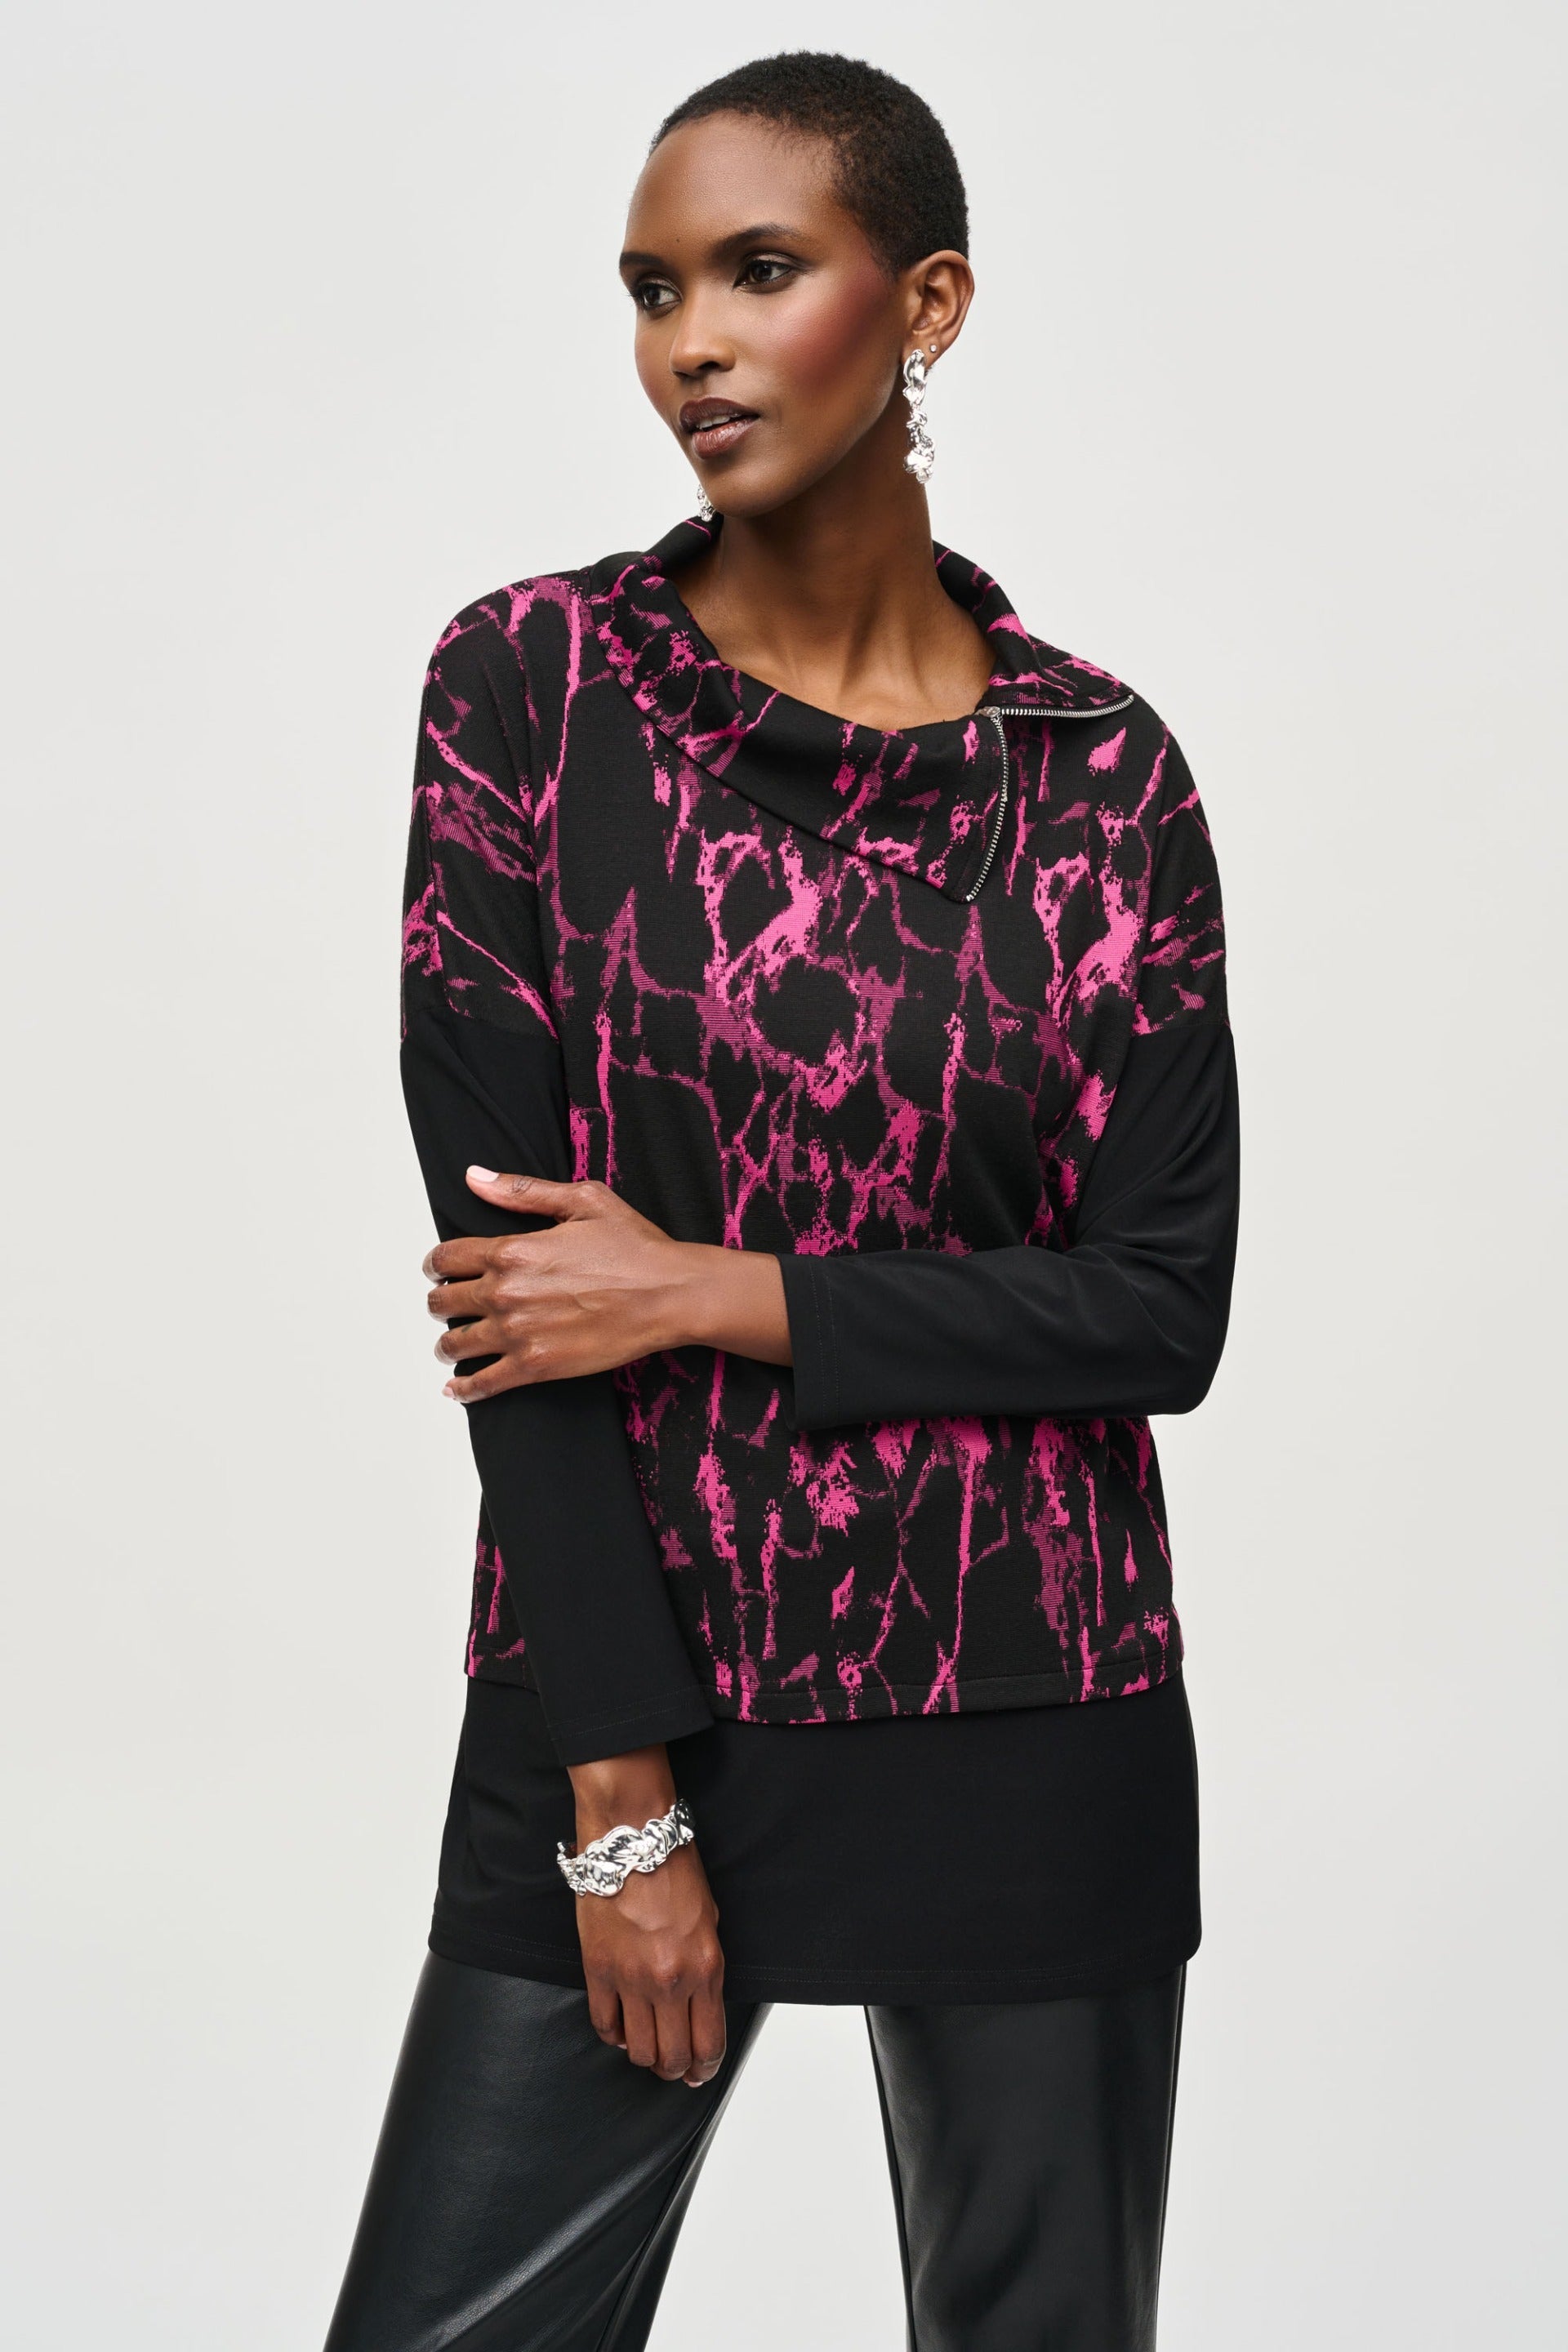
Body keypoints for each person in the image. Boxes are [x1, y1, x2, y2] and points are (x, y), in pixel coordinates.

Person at [324, 49, 1238, 2352]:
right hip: (627, 1700)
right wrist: (620, 1804)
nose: (692, 345)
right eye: (654, 291)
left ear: (926, 303)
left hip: (1034, 1700)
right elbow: (519, 1314)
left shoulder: (1103, 779)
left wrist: (717, 1295)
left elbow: (1159, 1310)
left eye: (757, 271)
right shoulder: (530, 690)